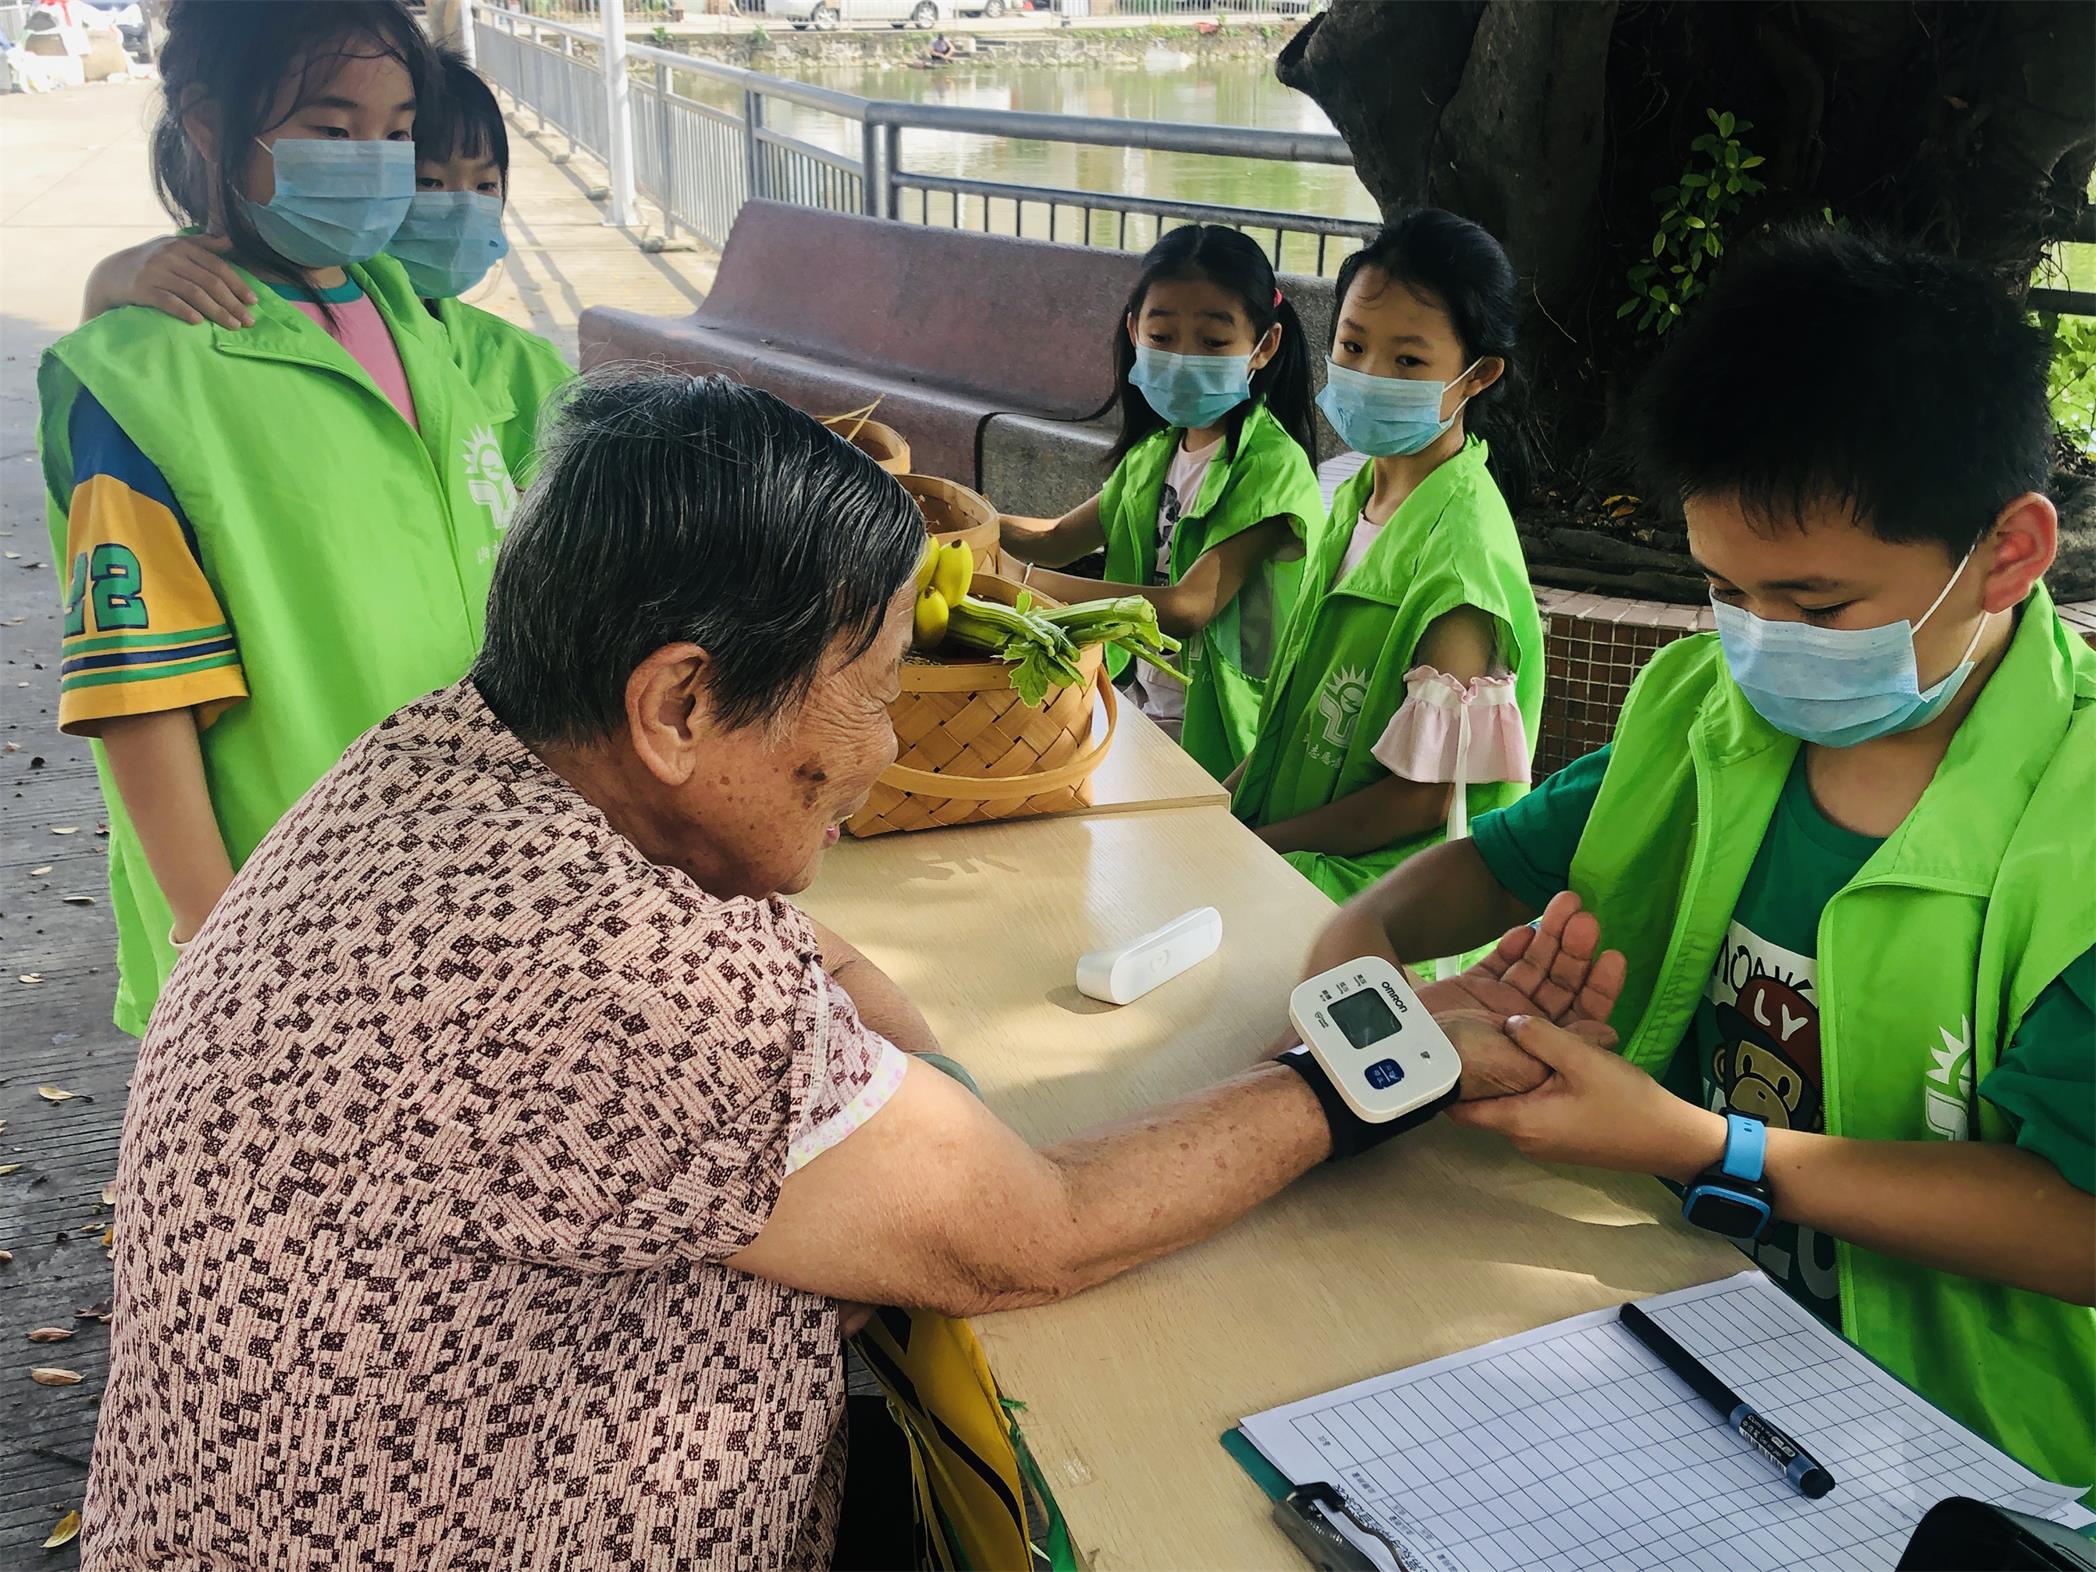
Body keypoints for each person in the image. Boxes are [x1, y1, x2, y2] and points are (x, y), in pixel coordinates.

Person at [84, 372, 1628, 1566]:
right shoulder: (634, 975)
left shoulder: (453, 758)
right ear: (681, 703)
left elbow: (814, 963)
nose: (887, 751)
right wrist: (1377, 1068)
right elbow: (1040, 1231)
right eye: (871, 693)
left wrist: (885, 1093)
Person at [1304, 228, 2095, 1488]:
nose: (1761, 645)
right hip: (1661, 1331)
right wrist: (1355, 976)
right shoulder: (1699, 714)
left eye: (1817, 607)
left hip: (1957, 1445)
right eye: (1725, 591)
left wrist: (1710, 1147)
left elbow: (2079, 1226)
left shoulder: (2078, 827)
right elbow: (1452, 880)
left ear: (2006, 549)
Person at [40, 0, 519, 1037]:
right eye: (331, 130)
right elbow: (137, 687)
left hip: (466, 882)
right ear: (211, 126)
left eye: (397, 134)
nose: (376, 162)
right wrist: (217, 939)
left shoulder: (421, 328)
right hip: (285, 935)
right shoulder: (142, 378)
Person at [1229, 210, 1543, 910]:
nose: (1368, 375)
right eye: (1352, 345)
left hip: (1379, 911)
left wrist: (1257, 847)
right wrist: (1222, 808)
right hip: (1290, 860)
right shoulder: (1358, 494)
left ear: (1478, 374)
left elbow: (1422, 800)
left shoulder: (1461, 563)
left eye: (1407, 360)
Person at [84, 46, 575, 488]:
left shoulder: (523, 362)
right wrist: (105, 286)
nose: (460, 208)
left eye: (486, 186)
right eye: (427, 182)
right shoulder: (215, 315)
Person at [999, 223, 1324, 779]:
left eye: (1214, 343)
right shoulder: (1154, 453)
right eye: (1163, 336)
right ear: (1133, 331)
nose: (1182, 358)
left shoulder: (1271, 467)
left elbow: (1190, 607)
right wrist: (965, 522)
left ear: (1264, 346)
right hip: (1140, 710)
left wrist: (1015, 584)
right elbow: (1055, 541)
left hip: (1226, 739)